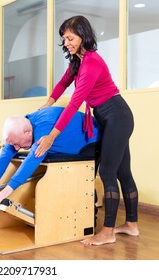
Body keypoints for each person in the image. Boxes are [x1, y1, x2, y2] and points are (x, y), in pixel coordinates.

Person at [35, 15, 139, 246]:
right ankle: (131, 225)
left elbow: (74, 103)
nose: (66, 43)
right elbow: (62, 84)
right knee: (122, 173)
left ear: (83, 35)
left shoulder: (92, 61)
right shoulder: (77, 61)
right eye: (64, 39)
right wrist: (45, 106)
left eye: (70, 38)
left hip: (117, 116)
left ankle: (108, 231)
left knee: (109, 173)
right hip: (111, 119)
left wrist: (52, 137)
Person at [0, 106, 101, 209]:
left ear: (27, 132)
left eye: (17, 143)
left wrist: (5, 192)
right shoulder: (18, 131)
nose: (16, 148)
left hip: (91, 140)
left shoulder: (44, 125)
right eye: (14, 144)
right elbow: (4, 157)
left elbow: (33, 158)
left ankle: (88, 219)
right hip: (69, 145)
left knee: (81, 185)